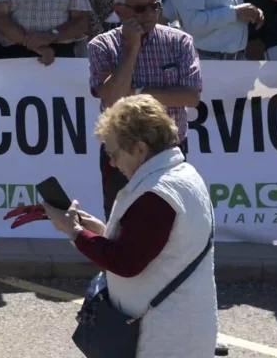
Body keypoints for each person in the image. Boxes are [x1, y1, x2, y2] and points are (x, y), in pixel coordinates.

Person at [44, 96, 218, 358]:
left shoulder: (156, 193)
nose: (112, 163)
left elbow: (127, 262)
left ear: (139, 149)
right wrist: (102, 233)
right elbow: (156, 249)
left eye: (113, 154)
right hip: (180, 327)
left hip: (164, 336)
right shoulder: (181, 174)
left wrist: (74, 232)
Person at [87, 0, 202, 215]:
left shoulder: (180, 41)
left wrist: (137, 92)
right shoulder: (102, 46)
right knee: (121, 220)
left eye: (155, 6)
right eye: (140, 9)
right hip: (122, 151)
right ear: (118, 10)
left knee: (170, 219)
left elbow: (190, 97)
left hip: (168, 149)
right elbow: (112, 99)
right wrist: (132, 48)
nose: (150, 13)